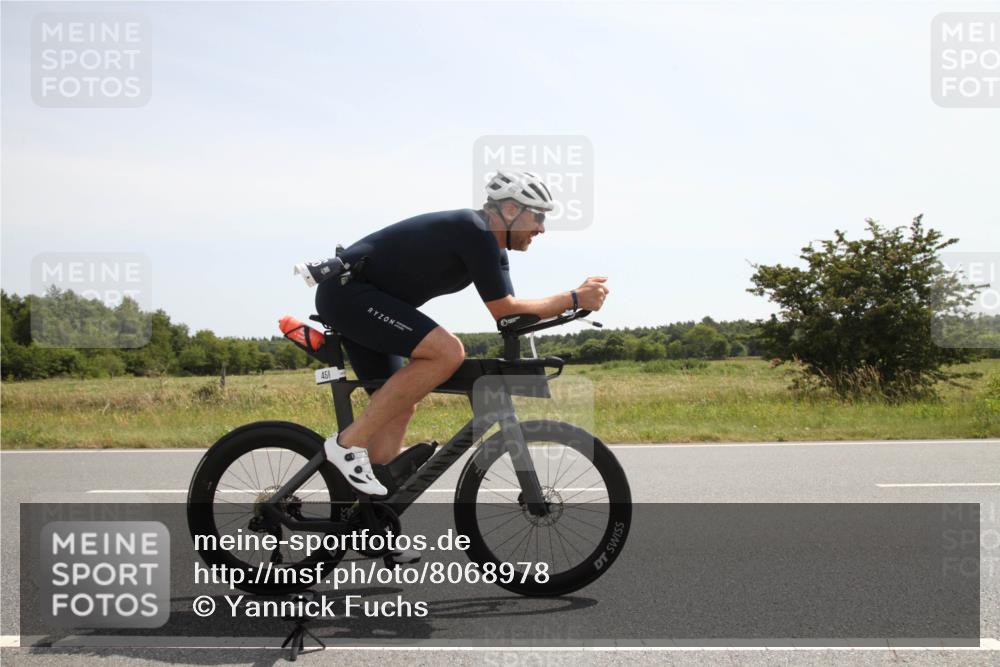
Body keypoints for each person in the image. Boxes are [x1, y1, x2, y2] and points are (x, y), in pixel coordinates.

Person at [316, 171, 609, 501]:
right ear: (511, 210)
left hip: (362, 301)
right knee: (447, 352)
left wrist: (572, 306)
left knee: (399, 407)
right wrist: (573, 298)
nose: (542, 228)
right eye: (538, 216)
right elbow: (504, 309)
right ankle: (347, 445)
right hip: (347, 294)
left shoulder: (492, 247)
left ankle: (369, 514)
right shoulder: (475, 230)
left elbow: (511, 316)